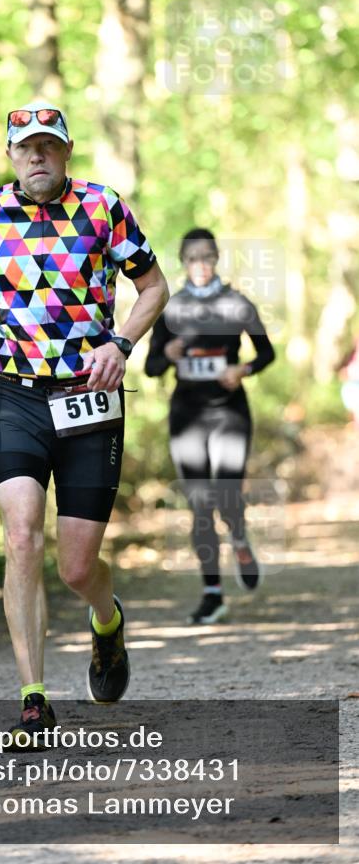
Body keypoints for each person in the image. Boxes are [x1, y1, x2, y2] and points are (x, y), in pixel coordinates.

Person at [0, 101, 168, 747]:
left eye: (47, 146)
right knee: (20, 537)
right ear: (10, 155)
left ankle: (105, 622)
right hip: (14, 396)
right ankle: (33, 701)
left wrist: (118, 343)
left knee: (75, 567)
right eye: (24, 147)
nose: (36, 156)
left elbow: (153, 287)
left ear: (65, 151)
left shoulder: (100, 207)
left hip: (88, 397)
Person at [144, 228, 275, 625]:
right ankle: (212, 594)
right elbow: (150, 368)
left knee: (227, 494)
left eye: (207, 258)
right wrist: (166, 353)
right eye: (192, 259)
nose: (200, 265)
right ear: (183, 263)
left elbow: (267, 351)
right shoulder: (172, 309)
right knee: (200, 504)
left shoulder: (236, 303)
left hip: (229, 412)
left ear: (216, 259)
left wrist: (244, 369)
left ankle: (238, 535)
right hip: (187, 415)